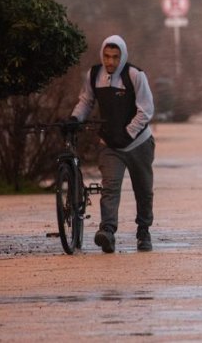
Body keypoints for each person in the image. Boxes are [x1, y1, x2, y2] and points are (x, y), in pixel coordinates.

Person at [69, 35, 155, 253]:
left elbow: (146, 109)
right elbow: (86, 101)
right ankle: (107, 231)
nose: (110, 62)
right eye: (107, 56)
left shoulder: (135, 75)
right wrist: (74, 119)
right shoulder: (94, 75)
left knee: (143, 189)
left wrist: (128, 133)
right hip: (109, 144)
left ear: (123, 57)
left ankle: (143, 231)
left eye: (115, 57)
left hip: (139, 144)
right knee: (110, 187)